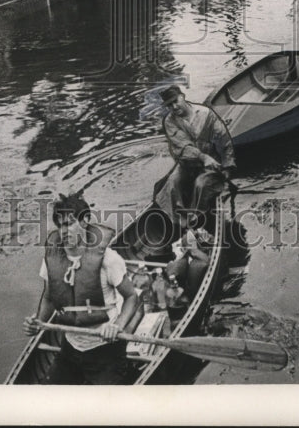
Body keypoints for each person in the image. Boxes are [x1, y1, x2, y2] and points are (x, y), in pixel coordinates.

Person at [22, 192, 139, 384]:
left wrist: (117, 326)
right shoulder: (52, 259)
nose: (63, 231)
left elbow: (132, 297)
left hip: (105, 351)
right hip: (70, 348)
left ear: (84, 221)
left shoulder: (108, 260)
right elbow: (49, 298)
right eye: (60, 226)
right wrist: (38, 322)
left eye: (68, 224)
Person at [154, 85, 235, 228]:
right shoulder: (169, 121)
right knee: (171, 184)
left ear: (183, 96)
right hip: (187, 164)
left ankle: (197, 218)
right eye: (169, 105)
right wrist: (203, 158)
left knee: (201, 185)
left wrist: (227, 166)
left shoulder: (206, 114)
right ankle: (179, 222)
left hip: (211, 164)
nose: (174, 107)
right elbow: (183, 147)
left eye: (175, 101)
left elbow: (224, 140)